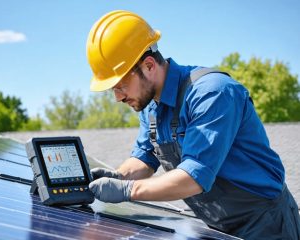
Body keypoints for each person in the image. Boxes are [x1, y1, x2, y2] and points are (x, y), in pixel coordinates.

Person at [86, 10, 300, 239]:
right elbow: (144, 159)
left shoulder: (212, 93)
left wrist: (128, 190)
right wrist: (118, 177)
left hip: (265, 224)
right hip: (218, 226)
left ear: (149, 66)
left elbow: (193, 177)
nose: (118, 97)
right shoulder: (151, 107)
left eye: (120, 85)